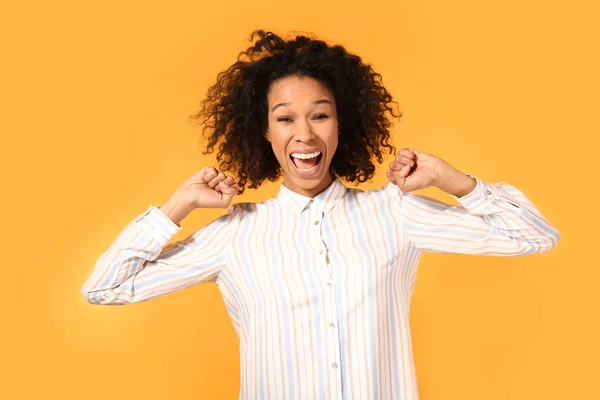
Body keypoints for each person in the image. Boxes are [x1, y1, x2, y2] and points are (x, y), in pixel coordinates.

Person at [81, 30, 559, 400]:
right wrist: (177, 206)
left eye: (320, 115)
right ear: (264, 131)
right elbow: (105, 288)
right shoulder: (235, 234)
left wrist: (451, 179)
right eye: (286, 118)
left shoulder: (394, 213)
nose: (304, 134)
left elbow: (534, 235)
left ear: (341, 123)